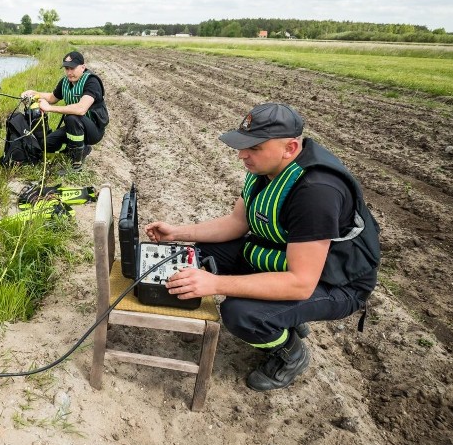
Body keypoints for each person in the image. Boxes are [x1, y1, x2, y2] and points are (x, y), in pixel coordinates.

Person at [145, 103, 380, 391]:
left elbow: (301, 283)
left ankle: (290, 353)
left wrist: (216, 284)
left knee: (242, 313)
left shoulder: (316, 193)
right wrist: (176, 233)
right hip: (285, 256)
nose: (242, 155)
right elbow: (237, 222)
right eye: (242, 145)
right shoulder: (266, 167)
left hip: (333, 282)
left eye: (254, 147)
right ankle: (285, 316)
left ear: (290, 148)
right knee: (205, 251)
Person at [22, 50, 108, 171]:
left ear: (83, 67)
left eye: (72, 68)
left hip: (93, 130)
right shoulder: (65, 82)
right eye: (67, 68)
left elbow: (81, 109)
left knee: (71, 117)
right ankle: (75, 149)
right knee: (46, 144)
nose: (69, 72)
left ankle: (76, 162)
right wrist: (34, 93)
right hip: (74, 126)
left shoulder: (92, 82)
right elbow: (52, 98)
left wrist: (49, 108)